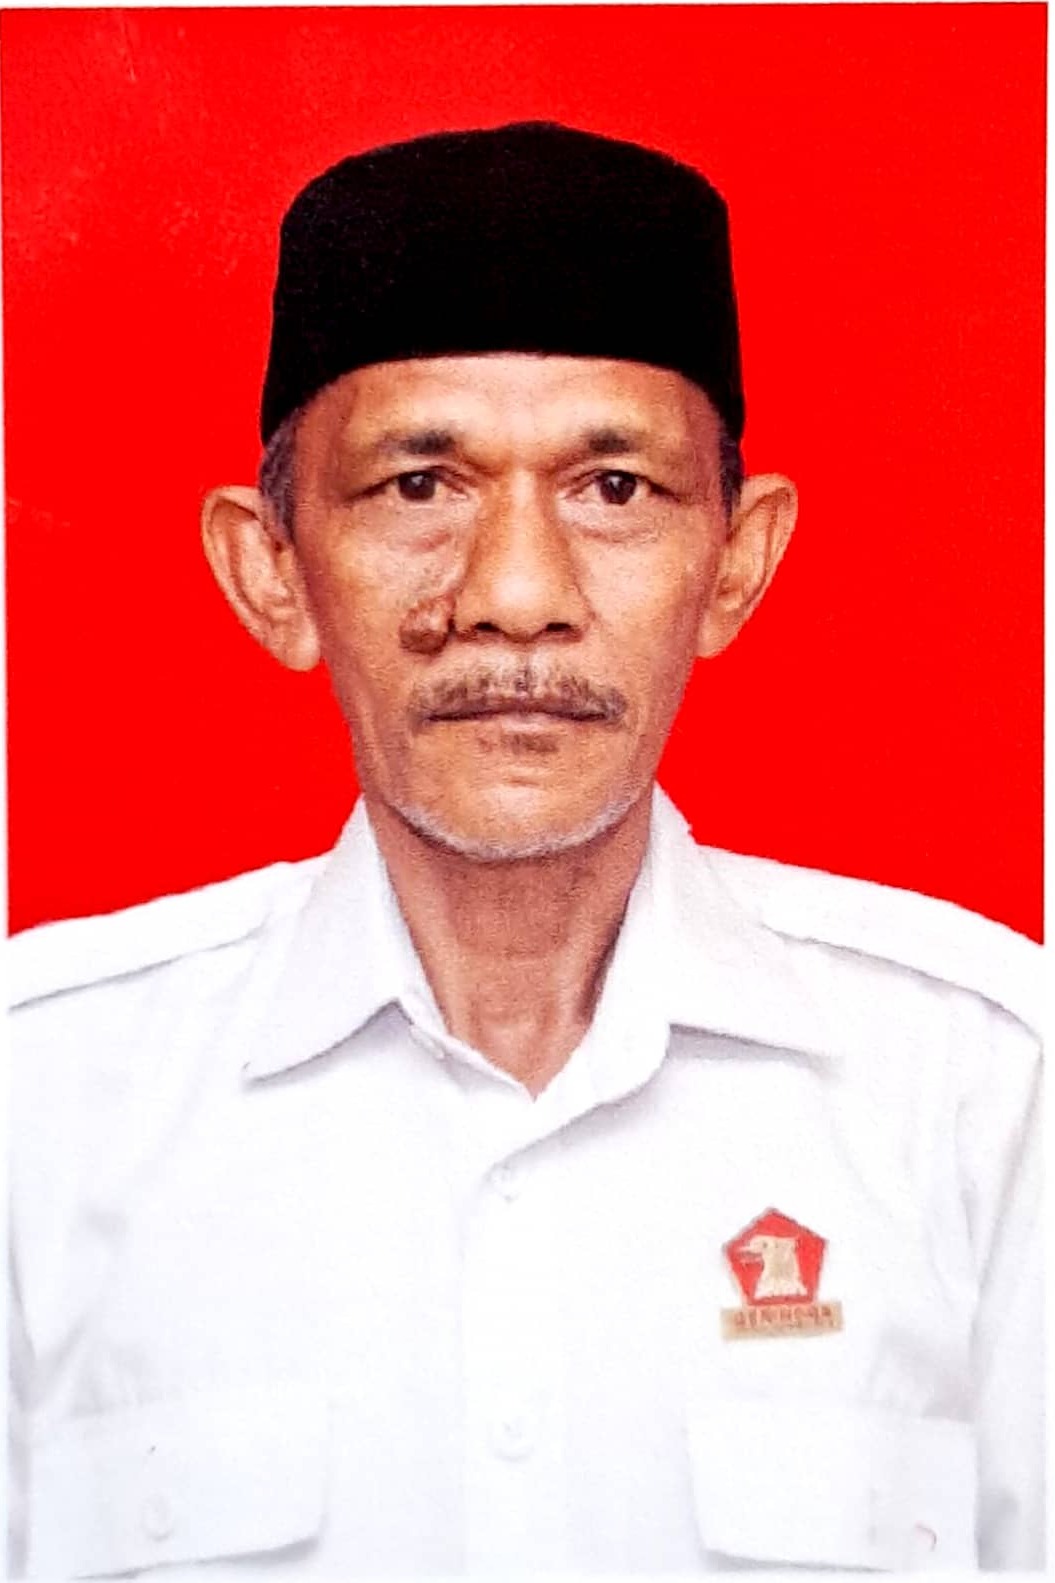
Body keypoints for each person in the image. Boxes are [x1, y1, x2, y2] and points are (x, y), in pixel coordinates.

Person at [8, 123, 1042, 1576]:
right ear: (271, 569)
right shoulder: (41, 1101)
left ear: (738, 563)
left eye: (614, 488)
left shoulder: (987, 1089)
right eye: (418, 486)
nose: (514, 594)